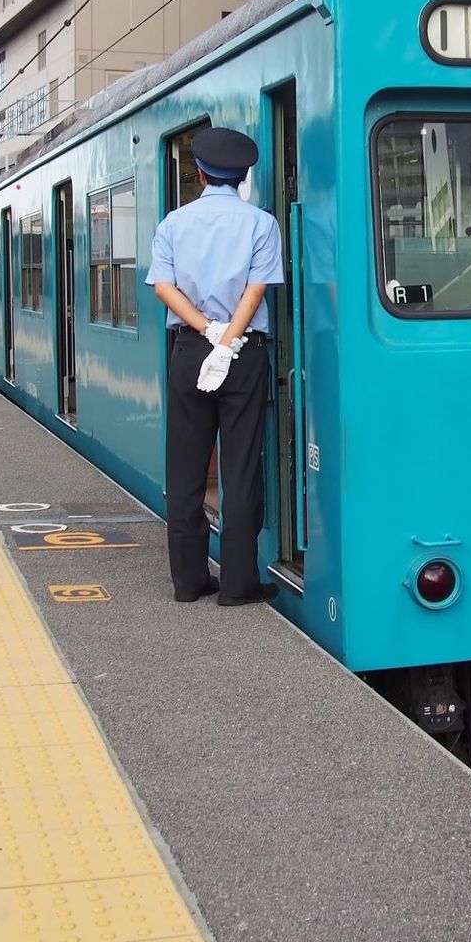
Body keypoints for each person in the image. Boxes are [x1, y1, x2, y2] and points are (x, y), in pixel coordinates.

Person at [147, 127, 285, 606]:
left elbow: (164, 289)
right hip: (243, 353)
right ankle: (238, 584)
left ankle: (188, 581)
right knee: (240, 466)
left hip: (189, 351)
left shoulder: (173, 224)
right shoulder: (261, 224)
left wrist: (205, 332)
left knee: (185, 468)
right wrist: (226, 341)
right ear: (243, 176)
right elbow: (255, 291)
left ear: (200, 174)